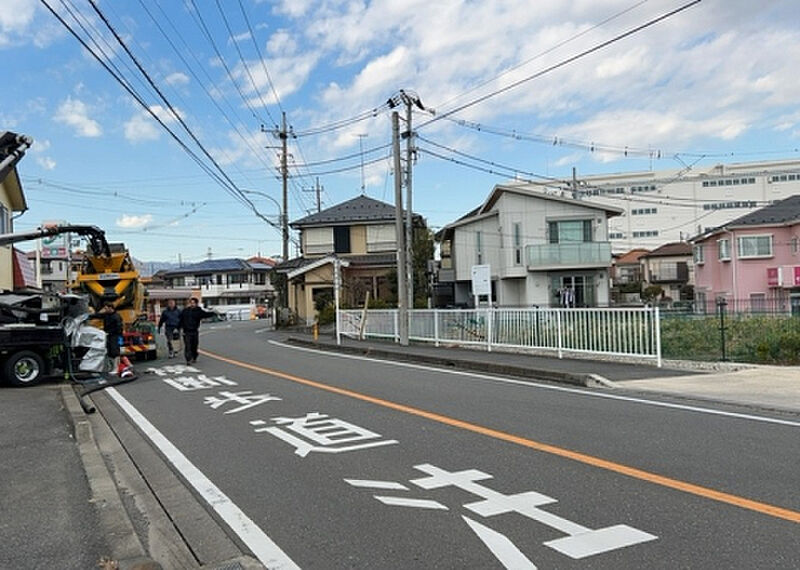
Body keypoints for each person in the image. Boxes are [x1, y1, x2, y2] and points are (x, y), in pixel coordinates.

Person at [178, 297, 215, 365]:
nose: (192, 304)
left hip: (194, 331)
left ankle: (194, 356)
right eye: (191, 303)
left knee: (194, 346)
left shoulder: (198, 311)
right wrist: (179, 328)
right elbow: (181, 319)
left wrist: (213, 313)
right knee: (187, 346)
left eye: (193, 303)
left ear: (196, 304)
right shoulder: (185, 311)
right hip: (186, 331)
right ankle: (188, 359)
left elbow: (205, 314)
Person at [92, 301, 123, 374]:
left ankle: (116, 368)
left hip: (115, 336)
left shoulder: (116, 316)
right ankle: (111, 368)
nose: (105, 310)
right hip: (108, 335)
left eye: (106, 308)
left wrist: (110, 333)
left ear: (110, 308)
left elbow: (119, 328)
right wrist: (88, 316)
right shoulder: (106, 315)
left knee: (115, 352)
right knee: (109, 352)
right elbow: (97, 316)